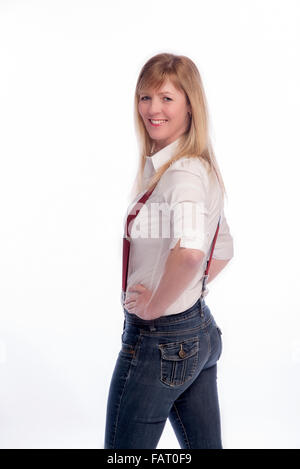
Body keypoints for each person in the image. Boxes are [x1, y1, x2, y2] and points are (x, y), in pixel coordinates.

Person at [104, 53, 234, 449]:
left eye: (166, 98)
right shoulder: (186, 166)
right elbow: (224, 249)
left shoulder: (182, 175)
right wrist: (182, 290)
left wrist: (156, 305)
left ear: (190, 105)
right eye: (145, 97)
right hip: (197, 331)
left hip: (161, 339)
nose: (152, 109)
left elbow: (193, 254)